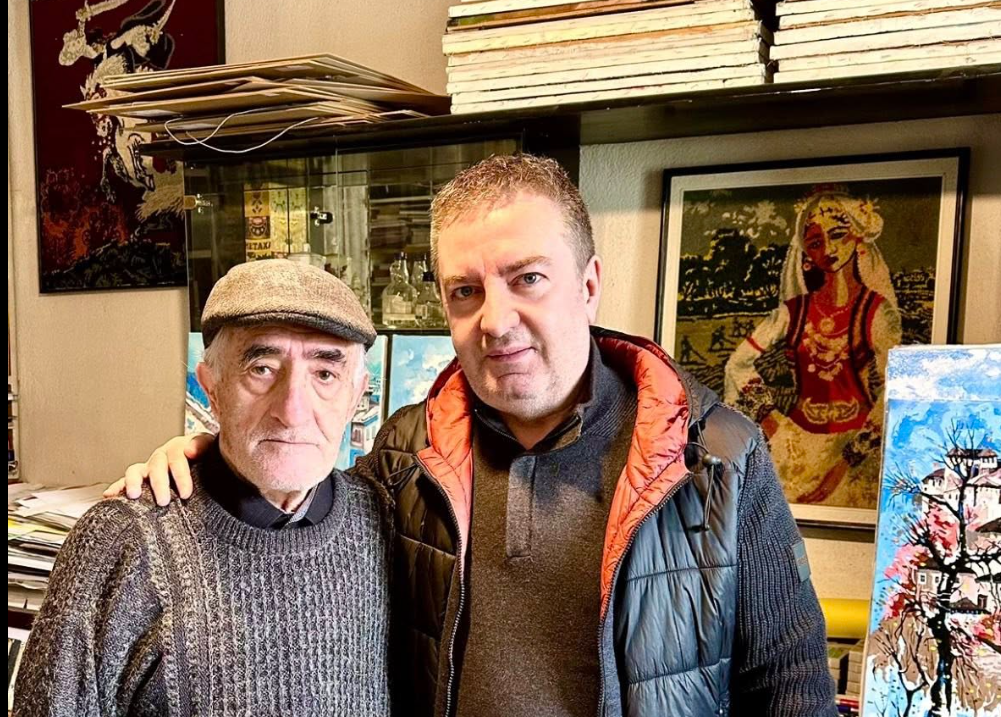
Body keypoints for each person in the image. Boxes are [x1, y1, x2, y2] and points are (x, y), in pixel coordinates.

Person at [110, 155, 837, 717]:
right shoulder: (402, 456)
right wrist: (212, 464)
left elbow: (791, 686)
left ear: (588, 285)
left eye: (527, 279)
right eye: (466, 291)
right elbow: (292, 516)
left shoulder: (717, 458)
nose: (495, 319)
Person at [15, 260, 391, 716]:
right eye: (262, 368)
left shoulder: (386, 520)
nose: (292, 411)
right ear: (211, 389)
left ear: (356, 395)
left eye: (325, 375)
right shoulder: (121, 540)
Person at [724, 185, 903, 508]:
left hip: (852, 451)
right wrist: (768, 418)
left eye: (838, 235)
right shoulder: (792, 312)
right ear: (806, 252)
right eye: (816, 242)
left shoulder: (877, 313)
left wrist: (848, 459)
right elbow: (738, 364)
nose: (829, 249)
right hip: (793, 447)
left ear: (858, 237)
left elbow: (896, 386)